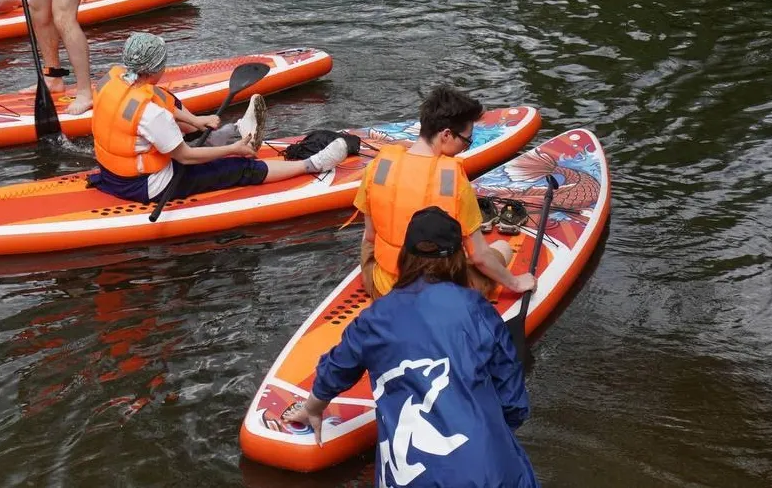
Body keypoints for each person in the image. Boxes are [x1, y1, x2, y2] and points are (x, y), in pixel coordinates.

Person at [284, 207, 539, 488]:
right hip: (495, 474)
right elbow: (514, 402)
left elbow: (336, 368)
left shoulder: (374, 319)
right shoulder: (477, 309)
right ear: (458, 258)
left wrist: (313, 407)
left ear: (404, 255)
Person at [88, 33, 352, 203]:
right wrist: (234, 151)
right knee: (239, 168)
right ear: (155, 67)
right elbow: (186, 157)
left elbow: (160, 102)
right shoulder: (151, 114)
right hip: (148, 185)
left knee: (171, 101)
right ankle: (311, 165)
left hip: (111, 172)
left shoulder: (111, 80)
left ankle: (223, 133)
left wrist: (196, 121)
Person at [354, 85, 536, 300]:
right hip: (433, 296)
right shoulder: (454, 181)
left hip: (381, 285)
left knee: (369, 245)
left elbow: (371, 235)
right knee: (501, 248)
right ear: (446, 134)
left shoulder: (377, 166)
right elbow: (479, 257)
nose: (465, 147)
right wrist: (515, 283)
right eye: (466, 141)